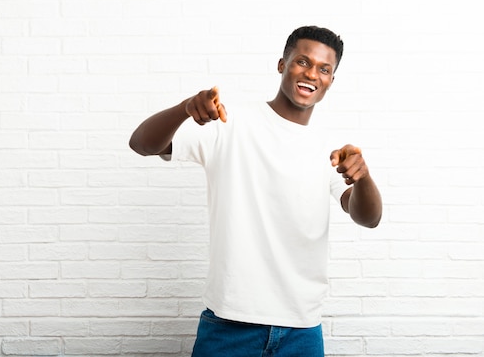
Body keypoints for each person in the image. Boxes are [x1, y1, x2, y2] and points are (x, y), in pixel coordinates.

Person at [129, 26, 382, 356]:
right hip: (229, 325)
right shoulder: (229, 122)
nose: (312, 74)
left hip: (301, 330)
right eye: (302, 62)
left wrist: (362, 177)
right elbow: (142, 145)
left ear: (331, 80)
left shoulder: (329, 147)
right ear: (282, 65)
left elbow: (368, 218)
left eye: (324, 68)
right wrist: (185, 108)